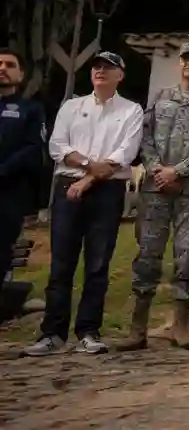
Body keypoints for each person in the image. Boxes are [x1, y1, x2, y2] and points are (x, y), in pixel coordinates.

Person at [22, 52, 141, 357]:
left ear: (120, 75)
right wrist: (89, 166)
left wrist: (87, 180)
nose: (100, 71)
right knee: (61, 264)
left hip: (107, 191)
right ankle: (52, 333)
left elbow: (124, 154)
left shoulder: (131, 110)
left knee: (98, 265)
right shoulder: (71, 107)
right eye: (96, 67)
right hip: (68, 188)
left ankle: (88, 331)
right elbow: (57, 147)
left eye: (108, 67)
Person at [122, 42, 189, 352]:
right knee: (147, 253)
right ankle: (138, 327)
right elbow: (144, 136)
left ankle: (180, 325)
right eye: (185, 59)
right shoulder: (160, 97)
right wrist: (157, 169)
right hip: (155, 190)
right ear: (178, 64)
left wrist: (178, 171)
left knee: (187, 254)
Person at [0, 48, 44, 283]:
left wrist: (4, 170)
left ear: (21, 74)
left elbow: (33, 148)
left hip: (8, 195)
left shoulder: (31, 110)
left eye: (10, 65)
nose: (2, 69)